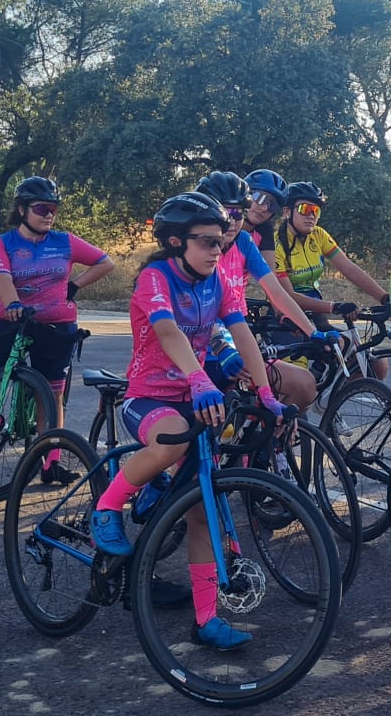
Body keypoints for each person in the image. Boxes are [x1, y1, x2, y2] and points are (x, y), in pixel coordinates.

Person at [85, 193, 270, 649]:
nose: (216, 250)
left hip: (193, 395)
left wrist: (266, 392)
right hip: (147, 398)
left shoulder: (217, 283)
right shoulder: (155, 277)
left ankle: (206, 620)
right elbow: (167, 331)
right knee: (169, 442)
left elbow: (242, 333)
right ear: (175, 242)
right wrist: (197, 377)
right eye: (206, 242)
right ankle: (106, 509)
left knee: (201, 515)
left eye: (220, 242)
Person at [0, 175, 114, 481]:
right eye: (41, 208)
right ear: (23, 209)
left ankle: (51, 463)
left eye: (53, 208)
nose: (49, 214)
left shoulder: (64, 241)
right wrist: (13, 304)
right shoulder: (2, 242)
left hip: (57, 325)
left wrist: (75, 286)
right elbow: (2, 276)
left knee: (50, 397)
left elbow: (106, 262)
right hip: (13, 321)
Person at [195, 170, 339, 413]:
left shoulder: (243, 241)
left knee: (303, 385)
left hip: (235, 339)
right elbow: (195, 307)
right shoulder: (195, 251)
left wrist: (311, 331)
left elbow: (276, 291)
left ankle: (268, 443)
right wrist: (220, 347)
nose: (233, 221)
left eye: (239, 213)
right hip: (196, 352)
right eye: (226, 213)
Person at [273, 181, 387, 322]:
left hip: (315, 308)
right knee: (328, 343)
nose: (311, 216)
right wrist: (334, 307)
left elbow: (348, 268)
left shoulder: (318, 235)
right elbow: (287, 295)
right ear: (287, 212)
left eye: (316, 211)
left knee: (342, 342)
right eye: (305, 209)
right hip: (287, 314)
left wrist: (384, 297)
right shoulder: (275, 245)